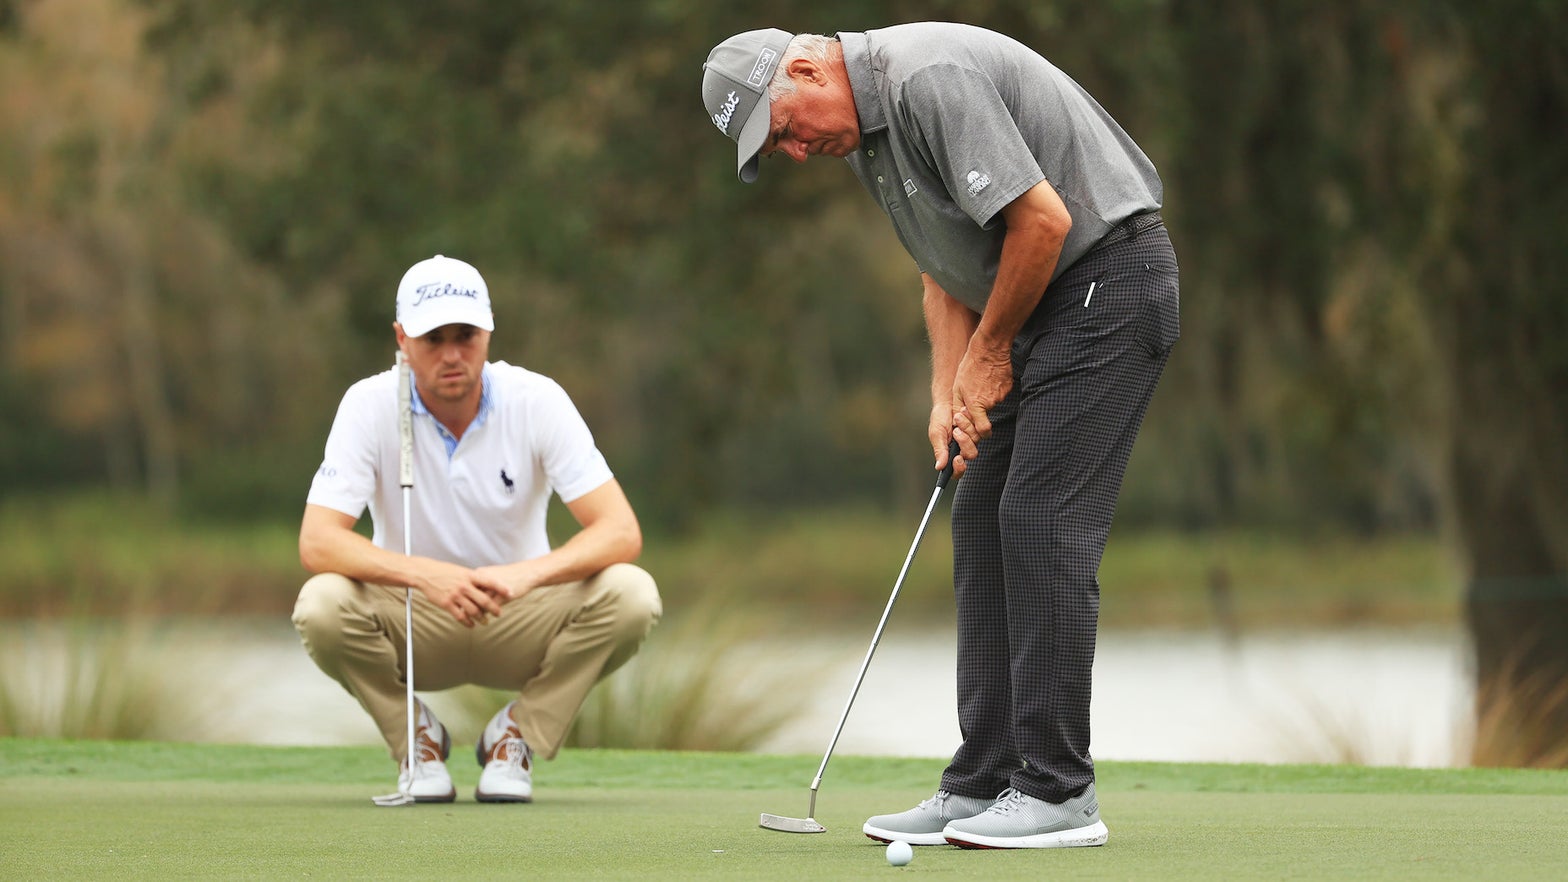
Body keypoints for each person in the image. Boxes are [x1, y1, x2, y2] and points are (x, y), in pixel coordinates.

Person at [701, 25, 1179, 848]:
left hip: (1108, 284)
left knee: (1039, 521)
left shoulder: (926, 80)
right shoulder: (865, 132)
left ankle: (1059, 793)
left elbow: (1040, 221)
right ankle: (985, 780)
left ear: (810, 69)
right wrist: (945, 390)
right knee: (980, 513)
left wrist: (989, 356)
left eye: (783, 131)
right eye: (777, 148)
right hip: (1041, 303)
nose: (797, 152)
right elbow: (943, 260)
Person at [292, 254, 662, 803]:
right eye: (431, 338)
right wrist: (428, 577)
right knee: (320, 605)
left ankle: (517, 735)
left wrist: (524, 576)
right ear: (401, 338)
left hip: (518, 613)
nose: (451, 354)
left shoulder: (537, 400)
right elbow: (317, 540)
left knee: (634, 594)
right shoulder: (367, 405)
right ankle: (415, 740)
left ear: (488, 331)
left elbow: (620, 531)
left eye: (465, 335)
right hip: (413, 616)